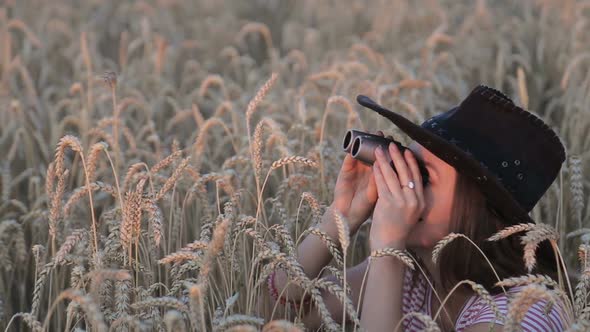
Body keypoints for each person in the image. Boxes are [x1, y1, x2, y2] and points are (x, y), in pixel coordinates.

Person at [260, 85, 571, 331]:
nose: (400, 180)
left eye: (423, 176)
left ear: (478, 210)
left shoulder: (525, 313)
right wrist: (341, 215)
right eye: (405, 162)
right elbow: (279, 315)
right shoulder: (417, 282)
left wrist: (388, 252)